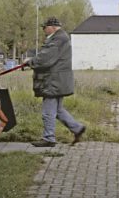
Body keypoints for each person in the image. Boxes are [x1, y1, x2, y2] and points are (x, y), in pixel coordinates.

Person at [25, 16, 86, 147]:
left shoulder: (57, 40)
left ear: (52, 27)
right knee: (58, 110)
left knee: (48, 111)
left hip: (53, 81)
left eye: (44, 27)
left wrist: (30, 62)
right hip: (59, 81)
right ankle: (77, 128)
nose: (43, 30)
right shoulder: (61, 38)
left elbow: (46, 58)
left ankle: (49, 138)